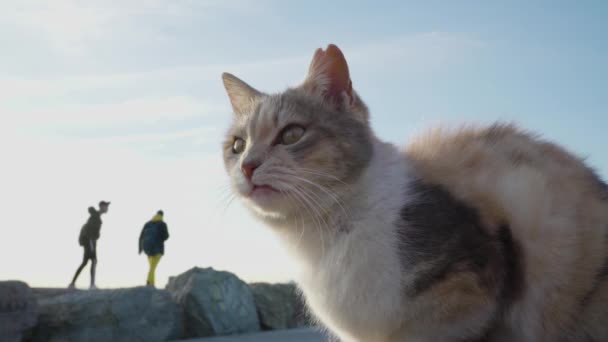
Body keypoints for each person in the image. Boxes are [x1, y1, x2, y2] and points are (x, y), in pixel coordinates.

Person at [69, 201, 110, 289]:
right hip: (90, 242)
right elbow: (90, 231)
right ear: (101, 207)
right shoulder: (95, 217)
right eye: (106, 206)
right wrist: (91, 244)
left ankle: (73, 283)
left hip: (90, 242)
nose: (107, 208)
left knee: (86, 262)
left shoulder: (96, 216)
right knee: (93, 261)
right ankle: (91, 285)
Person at [139, 210, 169, 287]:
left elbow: (141, 236)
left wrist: (140, 248)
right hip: (158, 248)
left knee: (152, 266)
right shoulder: (162, 224)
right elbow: (166, 236)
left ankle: (152, 283)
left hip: (147, 248)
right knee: (152, 267)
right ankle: (149, 283)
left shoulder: (147, 224)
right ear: (162, 215)